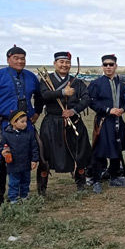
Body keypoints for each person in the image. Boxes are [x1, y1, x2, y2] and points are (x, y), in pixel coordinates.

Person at [0, 45, 41, 208]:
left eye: (23, 58)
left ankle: (22, 194)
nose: (20, 61)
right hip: (3, 124)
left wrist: (37, 112)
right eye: (16, 58)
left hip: (25, 125)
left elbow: (40, 95)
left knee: (26, 157)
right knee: (0, 159)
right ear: (8, 59)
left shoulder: (31, 77)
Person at [38, 51, 92, 193]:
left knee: (79, 152)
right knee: (45, 154)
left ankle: (81, 183)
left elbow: (86, 99)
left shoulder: (77, 82)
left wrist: (73, 111)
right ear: (55, 63)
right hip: (52, 122)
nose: (64, 65)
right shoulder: (46, 80)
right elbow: (44, 95)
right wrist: (62, 92)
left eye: (67, 62)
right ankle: (42, 189)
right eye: (61, 62)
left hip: (72, 121)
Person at [87, 54, 125, 192]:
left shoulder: (121, 85)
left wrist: (122, 109)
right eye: (106, 65)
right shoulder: (96, 84)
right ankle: (96, 179)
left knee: (116, 148)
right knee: (100, 150)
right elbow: (92, 102)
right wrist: (108, 110)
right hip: (104, 121)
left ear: (116, 66)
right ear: (102, 66)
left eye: (111, 64)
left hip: (118, 121)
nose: (108, 67)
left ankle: (114, 176)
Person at [0, 111, 39, 204]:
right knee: (13, 182)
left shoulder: (29, 134)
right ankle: (13, 198)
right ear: (13, 122)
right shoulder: (6, 134)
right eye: (22, 122)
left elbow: (34, 147)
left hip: (26, 163)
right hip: (13, 164)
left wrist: (34, 160)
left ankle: (24, 195)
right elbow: (1, 146)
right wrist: (3, 151)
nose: (25, 124)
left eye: (26, 122)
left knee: (26, 181)